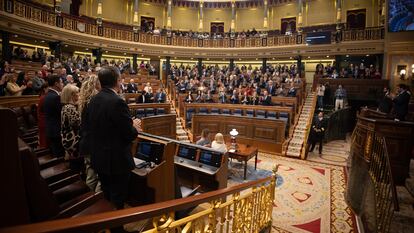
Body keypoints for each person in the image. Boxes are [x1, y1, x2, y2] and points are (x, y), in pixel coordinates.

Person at [85, 66, 140, 210]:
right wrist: (134, 126)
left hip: (100, 158)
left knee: (107, 195)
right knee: (118, 198)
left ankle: (109, 225)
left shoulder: (93, 100)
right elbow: (129, 134)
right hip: (116, 161)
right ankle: (117, 228)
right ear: (117, 80)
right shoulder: (117, 102)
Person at [79, 75, 101, 192]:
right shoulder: (95, 101)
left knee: (91, 176)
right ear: (96, 84)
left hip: (86, 143)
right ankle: (97, 203)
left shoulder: (85, 101)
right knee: (100, 178)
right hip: (94, 144)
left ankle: (89, 202)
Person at [60, 84, 82, 171]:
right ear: (71, 95)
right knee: (77, 165)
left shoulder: (69, 106)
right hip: (72, 140)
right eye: (77, 93)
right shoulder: (69, 108)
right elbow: (78, 123)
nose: (79, 94)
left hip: (71, 138)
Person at [43, 75, 65, 157]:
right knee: (59, 156)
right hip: (56, 131)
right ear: (56, 84)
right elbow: (61, 113)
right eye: (61, 82)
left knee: (56, 154)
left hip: (51, 129)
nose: (62, 84)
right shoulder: (55, 97)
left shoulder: (48, 95)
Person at [37, 83, 49, 149]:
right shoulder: (43, 98)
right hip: (43, 121)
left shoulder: (44, 97)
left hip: (43, 120)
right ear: (44, 89)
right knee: (44, 142)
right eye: (48, 88)